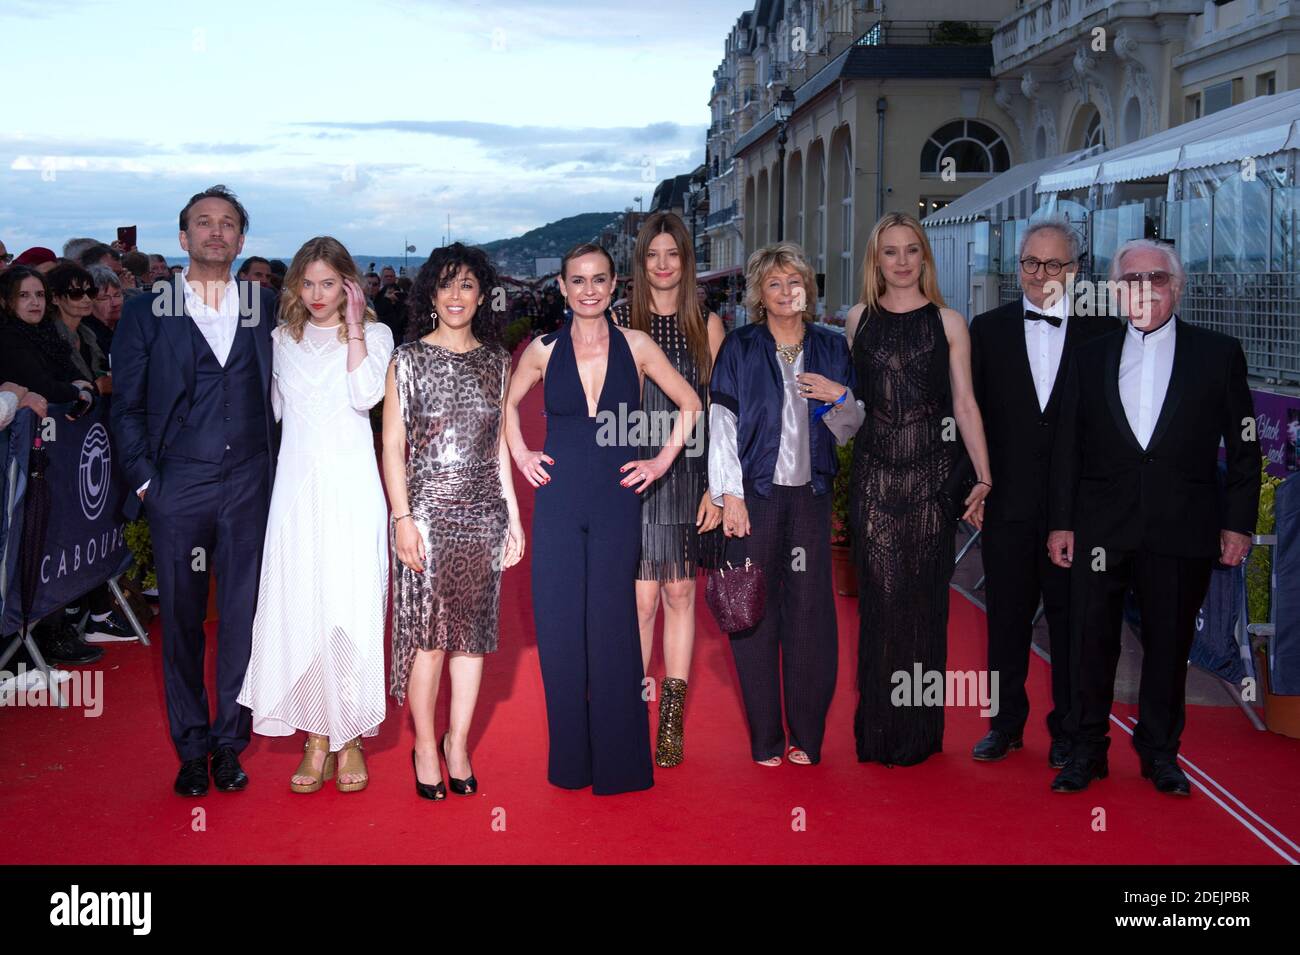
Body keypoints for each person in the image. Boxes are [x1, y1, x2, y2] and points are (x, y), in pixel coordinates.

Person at [1048, 239, 1260, 796]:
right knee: (1090, 643)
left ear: (1177, 286)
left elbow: (1245, 449)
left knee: (1169, 647)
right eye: (1133, 280)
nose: (1145, 289)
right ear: (1117, 291)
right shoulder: (1089, 356)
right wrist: (1061, 522)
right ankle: (1086, 749)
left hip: (1180, 526)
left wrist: (1238, 524)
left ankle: (1160, 752)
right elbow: (1068, 444)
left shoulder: (1218, 354)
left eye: (1157, 278)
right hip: (1099, 526)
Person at [506, 242, 699, 795]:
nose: (588, 290)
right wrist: (521, 454)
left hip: (617, 499)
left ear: (614, 286)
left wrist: (660, 462)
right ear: (563, 288)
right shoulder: (542, 351)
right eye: (577, 280)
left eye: (598, 280)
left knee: (613, 626)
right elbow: (504, 405)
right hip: (560, 498)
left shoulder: (636, 346)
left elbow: (690, 403)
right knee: (562, 626)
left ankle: (620, 764)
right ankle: (570, 761)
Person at [111, 185, 279, 797]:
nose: (216, 232)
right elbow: (125, 405)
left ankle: (229, 744)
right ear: (183, 238)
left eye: (228, 223)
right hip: (177, 483)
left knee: (241, 619)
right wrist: (147, 482)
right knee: (180, 619)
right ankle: (190, 746)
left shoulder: (263, 303)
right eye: (203, 223)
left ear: (241, 239)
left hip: (250, 483)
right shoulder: (147, 306)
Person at [236, 237, 392, 794]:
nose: (318, 294)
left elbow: (363, 395)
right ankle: (315, 736)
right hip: (296, 492)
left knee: (349, 607)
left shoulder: (375, 335)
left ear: (349, 284)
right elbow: (267, 414)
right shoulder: (280, 339)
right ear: (294, 287)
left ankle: (349, 737)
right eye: (309, 283)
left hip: (353, 489)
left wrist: (353, 325)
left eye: (330, 283)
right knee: (301, 608)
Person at [968, 217, 1118, 768]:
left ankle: (1070, 730)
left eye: (1053, 264)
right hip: (1006, 503)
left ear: (1075, 271)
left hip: (1077, 511)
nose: (1039, 274)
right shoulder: (986, 330)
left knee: (1070, 624)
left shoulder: (1105, 333)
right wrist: (974, 487)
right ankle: (1004, 726)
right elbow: (969, 416)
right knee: (1004, 622)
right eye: (1030, 262)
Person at [846, 212, 991, 767]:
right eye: (890, 252)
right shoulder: (858, 319)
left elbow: (965, 404)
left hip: (933, 480)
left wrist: (984, 474)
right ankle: (879, 730)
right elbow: (854, 407)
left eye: (912, 250)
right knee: (882, 602)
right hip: (875, 477)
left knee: (926, 602)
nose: (902, 261)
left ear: (925, 257)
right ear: (875, 260)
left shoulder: (950, 322)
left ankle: (918, 735)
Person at [709, 241, 862, 766]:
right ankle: (766, 739)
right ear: (759, 293)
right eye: (773, 283)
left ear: (808, 289)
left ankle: (809, 737)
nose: (784, 291)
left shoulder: (833, 346)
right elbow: (722, 427)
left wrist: (839, 398)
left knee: (810, 615)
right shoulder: (741, 347)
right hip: (754, 496)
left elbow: (849, 433)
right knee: (751, 611)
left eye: (793, 281)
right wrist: (728, 495)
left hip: (811, 498)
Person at [384, 242, 523, 800]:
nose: (457, 295)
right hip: (428, 518)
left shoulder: (498, 362)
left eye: (467, 284)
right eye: (446, 284)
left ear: (482, 293)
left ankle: (457, 742)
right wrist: (402, 518)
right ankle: (423, 744)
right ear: (431, 295)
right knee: (430, 642)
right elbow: (393, 448)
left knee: (472, 640)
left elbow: (499, 451)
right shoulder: (408, 359)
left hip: (483, 514)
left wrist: (512, 520)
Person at [613, 212, 724, 767]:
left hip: (687, 473)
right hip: (632, 472)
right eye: (652, 255)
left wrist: (719, 488)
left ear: (686, 261)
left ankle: (672, 719)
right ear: (641, 262)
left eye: (672, 255)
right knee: (639, 599)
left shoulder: (708, 325)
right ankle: (634, 711)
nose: (662, 265)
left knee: (680, 594)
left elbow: (719, 416)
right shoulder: (615, 325)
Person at [0, 266, 101, 665]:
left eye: (39, 295)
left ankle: (51, 633)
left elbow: (76, 380)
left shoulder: (47, 334)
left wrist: (78, 388)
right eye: (24, 296)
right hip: (18, 466)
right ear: (8, 301)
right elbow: (45, 384)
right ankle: (26, 646)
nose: (34, 303)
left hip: (50, 461)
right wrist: (75, 391)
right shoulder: (8, 336)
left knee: (53, 540)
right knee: (28, 545)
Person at [46, 263, 111, 395]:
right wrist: (97, 387)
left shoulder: (89, 333)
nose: (87, 299)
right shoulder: (48, 337)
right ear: (55, 298)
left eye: (91, 292)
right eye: (76, 293)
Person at [85, 264, 125, 356]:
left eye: (117, 295)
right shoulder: (87, 336)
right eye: (104, 298)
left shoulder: (130, 325)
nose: (114, 303)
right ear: (89, 301)